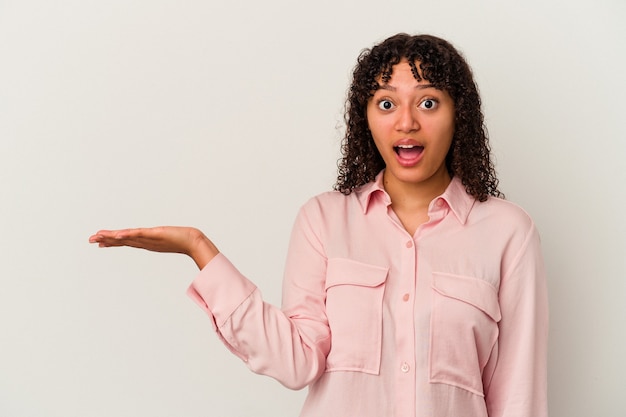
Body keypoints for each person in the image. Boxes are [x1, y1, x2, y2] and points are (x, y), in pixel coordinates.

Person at [89, 33, 548, 417]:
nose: (406, 122)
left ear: (458, 114)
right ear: (365, 118)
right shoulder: (324, 220)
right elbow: (297, 363)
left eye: (428, 102)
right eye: (386, 103)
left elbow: (518, 395)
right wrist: (199, 248)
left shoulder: (508, 232)